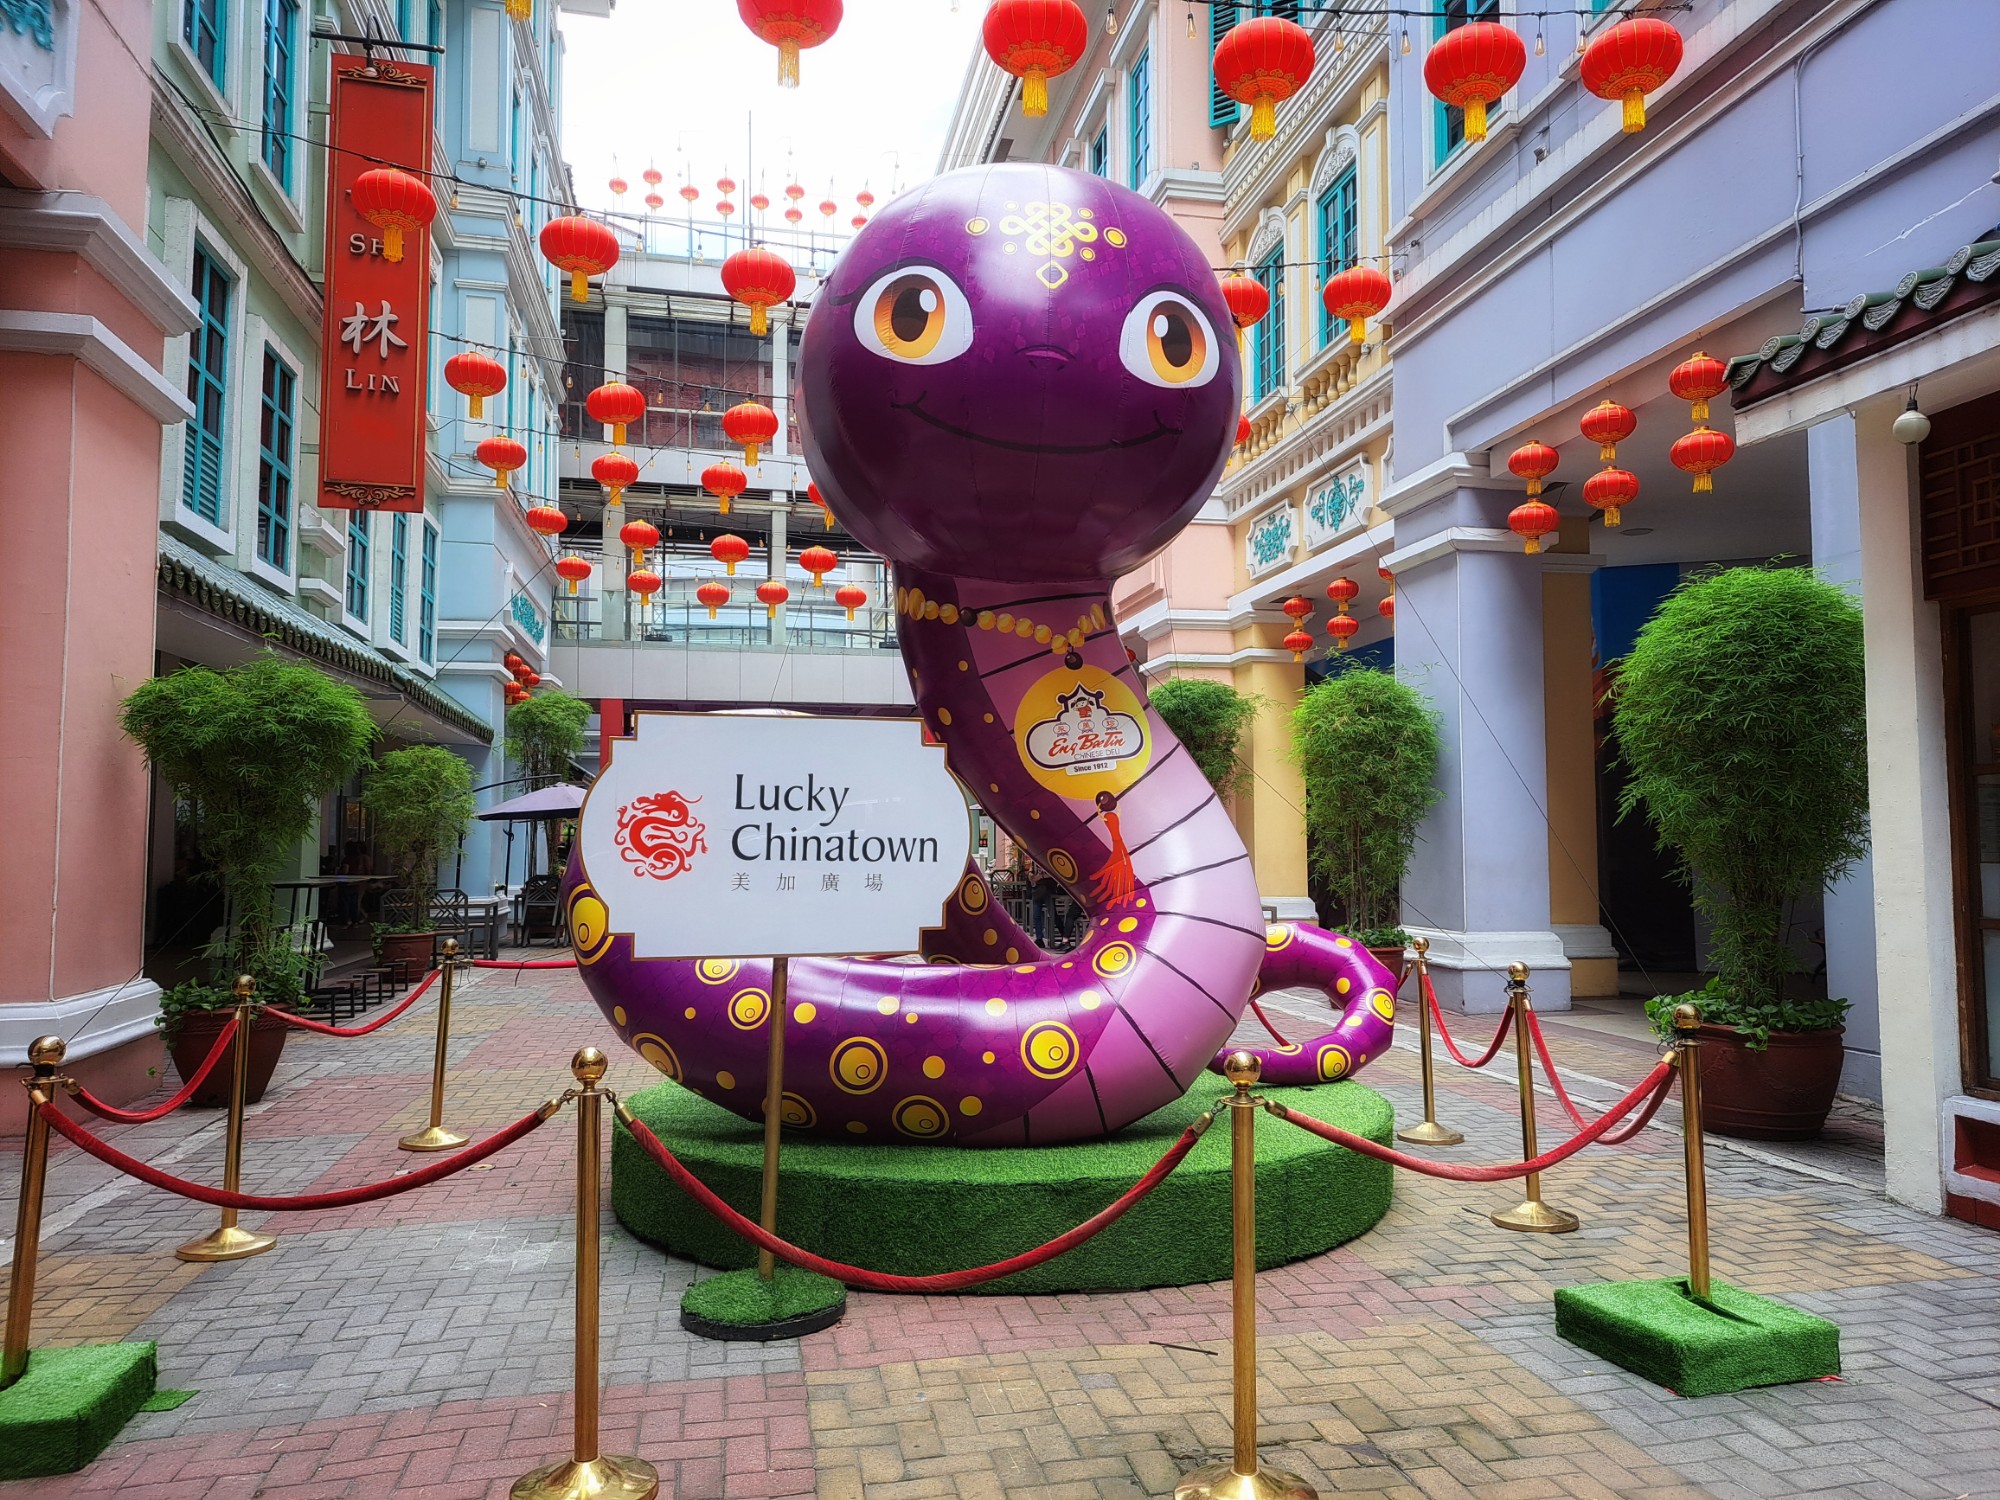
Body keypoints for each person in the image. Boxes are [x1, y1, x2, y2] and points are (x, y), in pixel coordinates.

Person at [1030, 867, 1062, 949]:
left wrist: (1042, 876)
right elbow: (1031, 871)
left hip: (1048, 889)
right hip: (1037, 890)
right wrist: (1030, 875)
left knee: (1053, 914)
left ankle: (1064, 936)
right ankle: (1039, 938)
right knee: (1036, 915)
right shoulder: (1034, 862)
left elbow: (1055, 873)